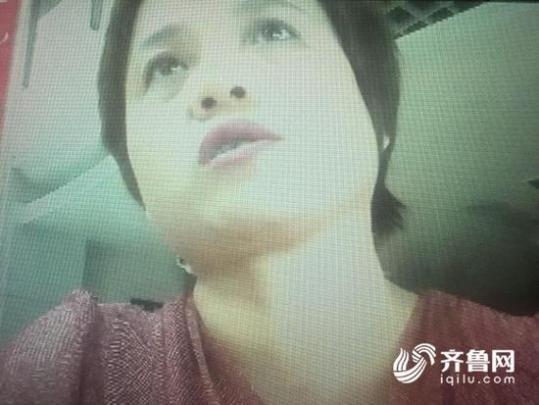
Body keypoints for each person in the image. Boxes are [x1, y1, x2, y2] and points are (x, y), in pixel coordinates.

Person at [0, 1, 537, 404]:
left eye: (274, 29)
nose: (215, 83)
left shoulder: (519, 364)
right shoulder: (73, 367)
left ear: (376, 119)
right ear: (139, 184)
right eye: (165, 66)